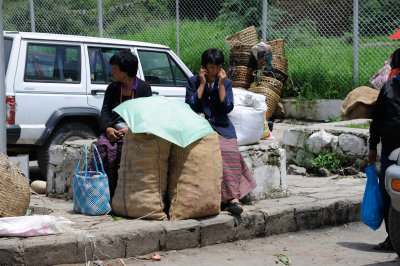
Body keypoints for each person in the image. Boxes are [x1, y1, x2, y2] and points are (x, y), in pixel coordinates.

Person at [185, 48, 257, 215]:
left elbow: (227, 107)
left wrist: (222, 85)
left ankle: (233, 198)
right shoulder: (193, 81)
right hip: (200, 126)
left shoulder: (226, 83)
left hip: (222, 126)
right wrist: (202, 84)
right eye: (211, 67)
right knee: (213, 151)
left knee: (230, 151)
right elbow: (191, 105)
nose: (215, 71)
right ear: (203, 68)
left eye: (218, 67)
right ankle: (222, 197)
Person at [89, 50, 152, 198]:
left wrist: (130, 129)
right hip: (113, 130)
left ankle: (122, 194)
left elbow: (147, 115)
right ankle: (105, 193)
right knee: (102, 148)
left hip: (135, 131)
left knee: (123, 151)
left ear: (126, 71)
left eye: (114, 69)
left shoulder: (144, 89)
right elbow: (105, 111)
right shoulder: (112, 89)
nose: (112, 73)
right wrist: (108, 128)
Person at [368, 48, 400, 251]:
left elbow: (377, 119)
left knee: (389, 194)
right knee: (388, 195)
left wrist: (373, 147)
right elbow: (378, 118)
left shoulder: (388, 85)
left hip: (390, 148)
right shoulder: (388, 87)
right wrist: (373, 146)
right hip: (391, 149)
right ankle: (393, 238)